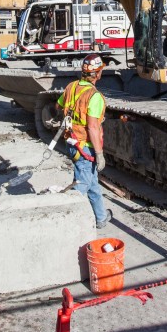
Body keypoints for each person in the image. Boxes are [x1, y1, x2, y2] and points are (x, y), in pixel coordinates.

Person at [56, 54, 112, 229]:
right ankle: (68, 221)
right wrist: (99, 153)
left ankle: (101, 217)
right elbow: (93, 128)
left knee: (92, 181)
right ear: (98, 74)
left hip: (72, 142)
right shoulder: (94, 96)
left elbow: (58, 107)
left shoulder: (71, 87)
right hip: (85, 147)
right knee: (82, 185)